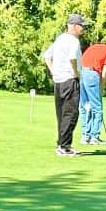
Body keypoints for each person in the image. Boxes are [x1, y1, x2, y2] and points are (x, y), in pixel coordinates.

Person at [42, 14, 88, 156]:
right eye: (82, 26)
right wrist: (76, 73)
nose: (83, 29)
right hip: (70, 80)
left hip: (59, 81)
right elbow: (72, 58)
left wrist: (54, 72)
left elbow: (47, 56)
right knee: (71, 113)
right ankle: (64, 147)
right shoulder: (73, 41)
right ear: (74, 26)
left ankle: (62, 144)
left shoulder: (60, 39)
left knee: (62, 114)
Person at [80, 39, 106, 145]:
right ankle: (95, 137)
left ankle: (85, 136)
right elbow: (103, 74)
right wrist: (101, 89)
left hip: (82, 73)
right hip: (93, 75)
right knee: (97, 108)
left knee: (85, 106)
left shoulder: (95, 46)